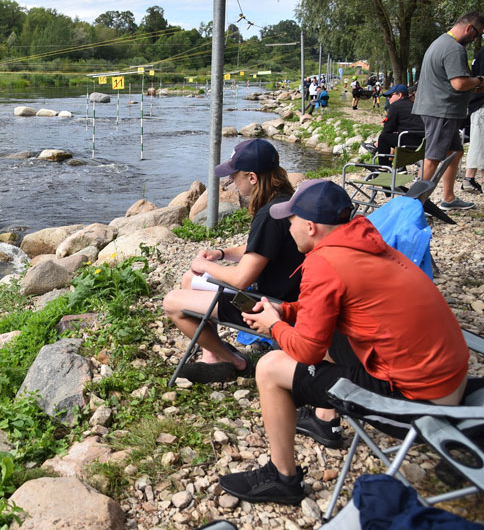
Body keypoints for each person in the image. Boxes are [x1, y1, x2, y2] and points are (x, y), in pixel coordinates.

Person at [218, 180, 469, 505]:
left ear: (310, 226)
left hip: (422, 400)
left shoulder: (324, 264)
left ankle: (283, 478)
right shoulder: (366, 242)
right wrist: (288, 310)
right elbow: (336, 309)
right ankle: (323, 419)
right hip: (449, 378)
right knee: (327, 336)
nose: (287, 226)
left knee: (268, 367)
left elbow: (308, 351)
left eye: (290, 220)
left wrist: (274, 325)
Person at [162, 139, 304, 384]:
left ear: (252, 178)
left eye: (233, 177)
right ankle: (213, 358)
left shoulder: (269, 215)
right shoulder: (283, 201)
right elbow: (258, 249)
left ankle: (235, 362)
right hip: (287, 297)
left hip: (269, 306)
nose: (231, 183)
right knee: (189, 279)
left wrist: (206, 265)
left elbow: (241, 278)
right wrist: (221, 253)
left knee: (172, 302)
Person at [412, 11, 484, 210]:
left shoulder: (440, 42)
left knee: (455, 152)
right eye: (476, 34)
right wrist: (480, 80)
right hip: (441, 111)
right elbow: (459, 83)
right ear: (469, 28)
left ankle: (449, 198)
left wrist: (473, 85)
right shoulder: (454, 49)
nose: (474, 39)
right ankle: (412, 207)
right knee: (433, 158)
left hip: (439, 109)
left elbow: (449, 82)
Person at [362, 84, 424, 159]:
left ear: (400, 95)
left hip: (409, 141)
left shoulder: (396, 105)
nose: (388, 99)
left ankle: (384, 166)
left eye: (390, 96)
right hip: (421, 142)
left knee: (383, 137)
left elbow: (388, 129)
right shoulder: (414, 105)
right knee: (394, 136)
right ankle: (398, 165)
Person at [463, 42, 484, 193]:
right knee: (479, 143)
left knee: (480, 143)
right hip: (481, 105)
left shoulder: (481, 53)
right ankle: (469, 179)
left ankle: (472, 179)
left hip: (478, 104)